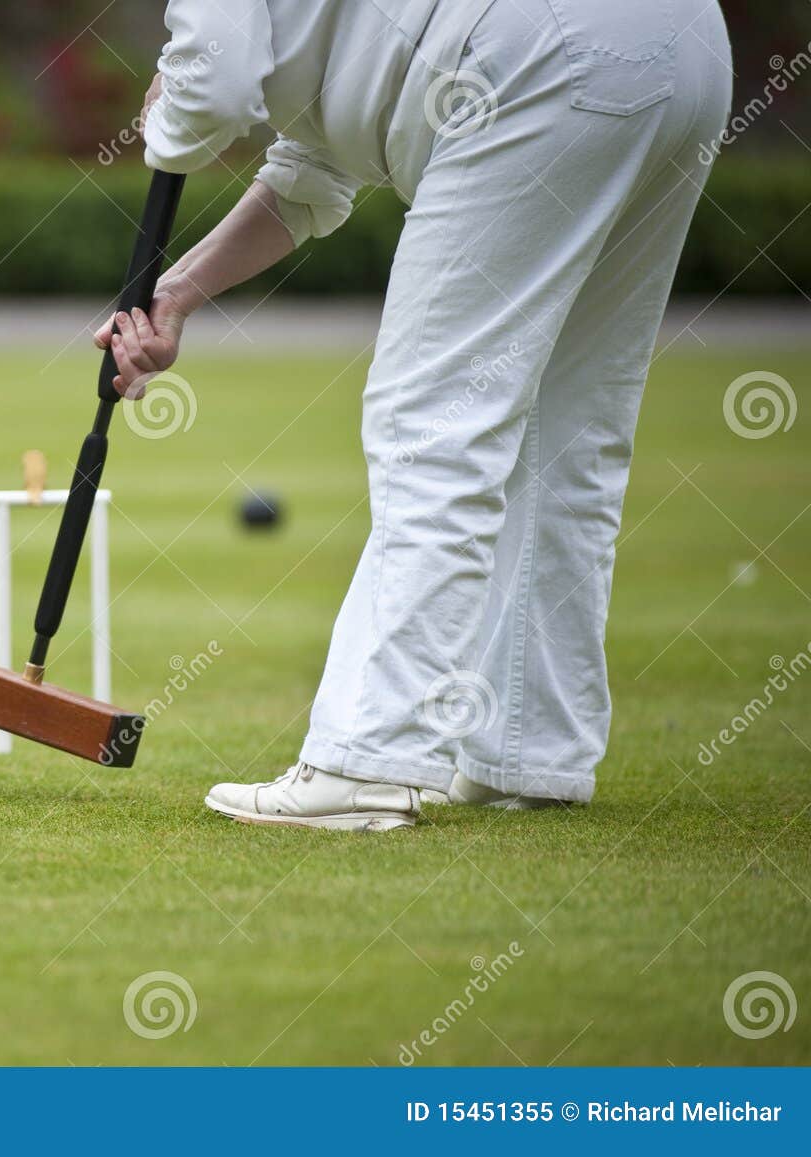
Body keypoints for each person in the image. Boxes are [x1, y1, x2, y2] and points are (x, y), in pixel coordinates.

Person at [98, 0, 732, 830]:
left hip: (534, 54)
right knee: (568, 429)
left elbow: (211, 87)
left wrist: (166, 117)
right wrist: (179, 291)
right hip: (682, 47)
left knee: (431, 423)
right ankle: (528, 750)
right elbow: (312, 175)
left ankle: (368, 759)